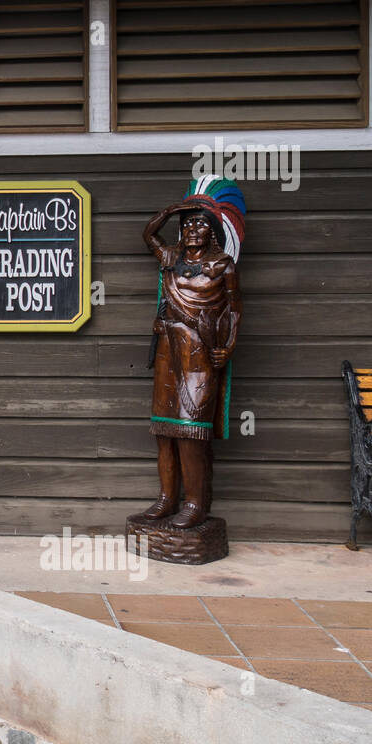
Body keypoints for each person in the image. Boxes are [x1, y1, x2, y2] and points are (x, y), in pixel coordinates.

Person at [135, 176, 246, 529]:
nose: (192, 229)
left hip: (199, 354)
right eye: (187, 224)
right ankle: (167, 498)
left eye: (200, 223)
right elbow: (149, 235)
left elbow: (234, 311)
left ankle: (195, 502)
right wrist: (172, 210)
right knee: (164, 432)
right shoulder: (171, 257)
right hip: (168, 351)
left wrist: (228, 347)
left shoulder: (222, 266)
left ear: (212, 231)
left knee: (191, 429)